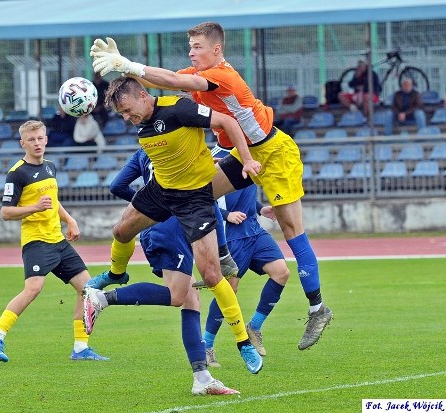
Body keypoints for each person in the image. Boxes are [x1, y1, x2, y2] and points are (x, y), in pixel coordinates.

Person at [90, 21, 333, 351]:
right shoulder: (200, 73)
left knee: (293, 232)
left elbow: (175, 81)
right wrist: (125, 65)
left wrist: (130, 65)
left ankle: (318, 309)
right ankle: (224, 257)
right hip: (244, 151)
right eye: (189, 47)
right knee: (201, 194)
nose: (191, 51)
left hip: (274, 154)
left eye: (197, 47)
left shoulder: (221, 76)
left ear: (216, 50)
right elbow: (158, 83)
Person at [82, 76, 263, 374]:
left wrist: (245, 160)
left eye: (128, 110)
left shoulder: (179, 109)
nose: (128, 119)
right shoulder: (143, 121)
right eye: (122, 115)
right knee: (121, 231)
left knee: (212, 275)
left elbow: (229, 123)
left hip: (194, 199)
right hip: (161, 190)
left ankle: (243, 343)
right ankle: (115, 275)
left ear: (143, 95)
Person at [88, 147, 239, 394]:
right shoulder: (185, 143)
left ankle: (202, 378)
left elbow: (117, 186)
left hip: (163, 225)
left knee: (192, 299)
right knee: (178, 295)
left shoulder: (143, 151)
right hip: (171, 228)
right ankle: (102, 298)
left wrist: (147, 208)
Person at [0, 120, 108, 362]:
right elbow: (6, 213)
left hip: (58, 240)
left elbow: (53, 200)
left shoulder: (50, 167)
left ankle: (81, 348)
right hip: (37, 241)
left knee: (88, 289)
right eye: (31, 140)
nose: (37, 143)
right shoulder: (17, 173)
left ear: (46, 139)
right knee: (33, 289)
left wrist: (70, 220)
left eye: (40, 138)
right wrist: (34, 207)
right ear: (23, 143)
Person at [196, 147, 290, 364]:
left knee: (281, 273)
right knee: (229, 289)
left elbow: (242, 188)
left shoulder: (249, 151)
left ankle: (254, 327)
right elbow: (199, 198)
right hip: (231, 236)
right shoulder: (214, 156)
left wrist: (259, 209)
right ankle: (206, 345)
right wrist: (227, 215)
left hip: (254, 230)